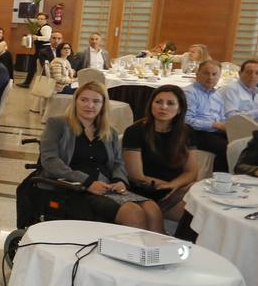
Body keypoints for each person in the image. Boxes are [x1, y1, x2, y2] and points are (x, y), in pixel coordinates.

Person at [39, 83, 164, 232]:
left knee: (152, 209)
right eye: (84, 100)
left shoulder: (109, 132)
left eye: (96, 101)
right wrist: (87, 182)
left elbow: (118, 163)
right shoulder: (58, 124)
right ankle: (135, 254)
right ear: (75, 101)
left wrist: (120, 180)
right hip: (71, 187)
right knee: (132, 212)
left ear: (103, 104)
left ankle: (153, 255)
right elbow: (50, 161)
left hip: (106, 187)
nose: (90, 105)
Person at [122, 84, 201, 221]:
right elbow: (136, 175)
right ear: (151, 105)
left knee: (201, 206)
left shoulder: (187, 132)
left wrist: (172, 186)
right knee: (194, 214)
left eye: (170, 103)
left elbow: (191, 172)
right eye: (158, 102)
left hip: (175, 190)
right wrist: (166, 187)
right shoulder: (135, 131)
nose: (163, 107)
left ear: (179, 109)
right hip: (146, 190)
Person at [184, 59, 229, 171]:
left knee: (244, 143)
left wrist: (228, 127)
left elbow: (222, 118)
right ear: (197, 74)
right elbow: (186, 120)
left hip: (215, 131)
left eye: (214, 74)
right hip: (194, 132)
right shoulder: (190, 92)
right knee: (227, 148)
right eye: (206, 73)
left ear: (219, 76)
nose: (210, 78)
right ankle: (218, 181)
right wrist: (214, 125)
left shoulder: (217, 95)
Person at [24, 11, 53, 87]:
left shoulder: (46, 27)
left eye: (42, 19)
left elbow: (47, 37)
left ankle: (30, 83)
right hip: (40, 50)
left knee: (40, 67)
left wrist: (37, 37)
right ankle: (27, 83)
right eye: (38, 19)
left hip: (43, 50)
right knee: (34, 66)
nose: (39, 20)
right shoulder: (40, 28)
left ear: (45, 20)